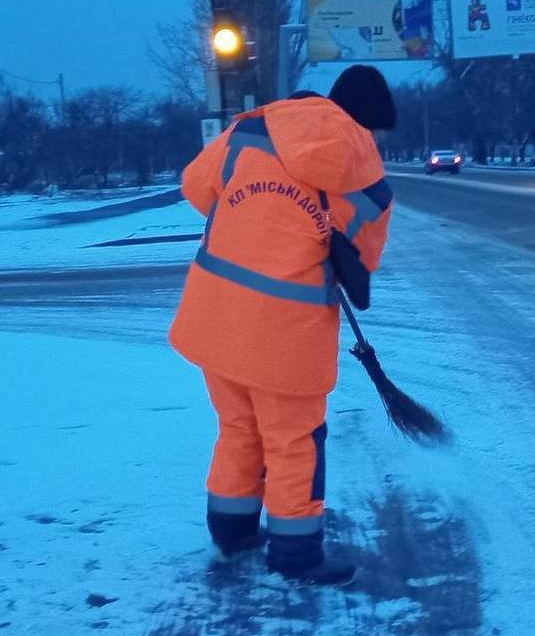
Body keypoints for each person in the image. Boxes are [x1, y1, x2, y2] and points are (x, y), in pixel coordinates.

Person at [169, 65, 395, 586]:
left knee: (238, 426)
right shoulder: (366, 173)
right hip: (287, 333)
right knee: (294, 439)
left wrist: (256, 216)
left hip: (216, 313)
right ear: (368, 121)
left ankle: (232, 530)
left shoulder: (250, 130)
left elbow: (196, 188)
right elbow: (362, 262)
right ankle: (295, 554)